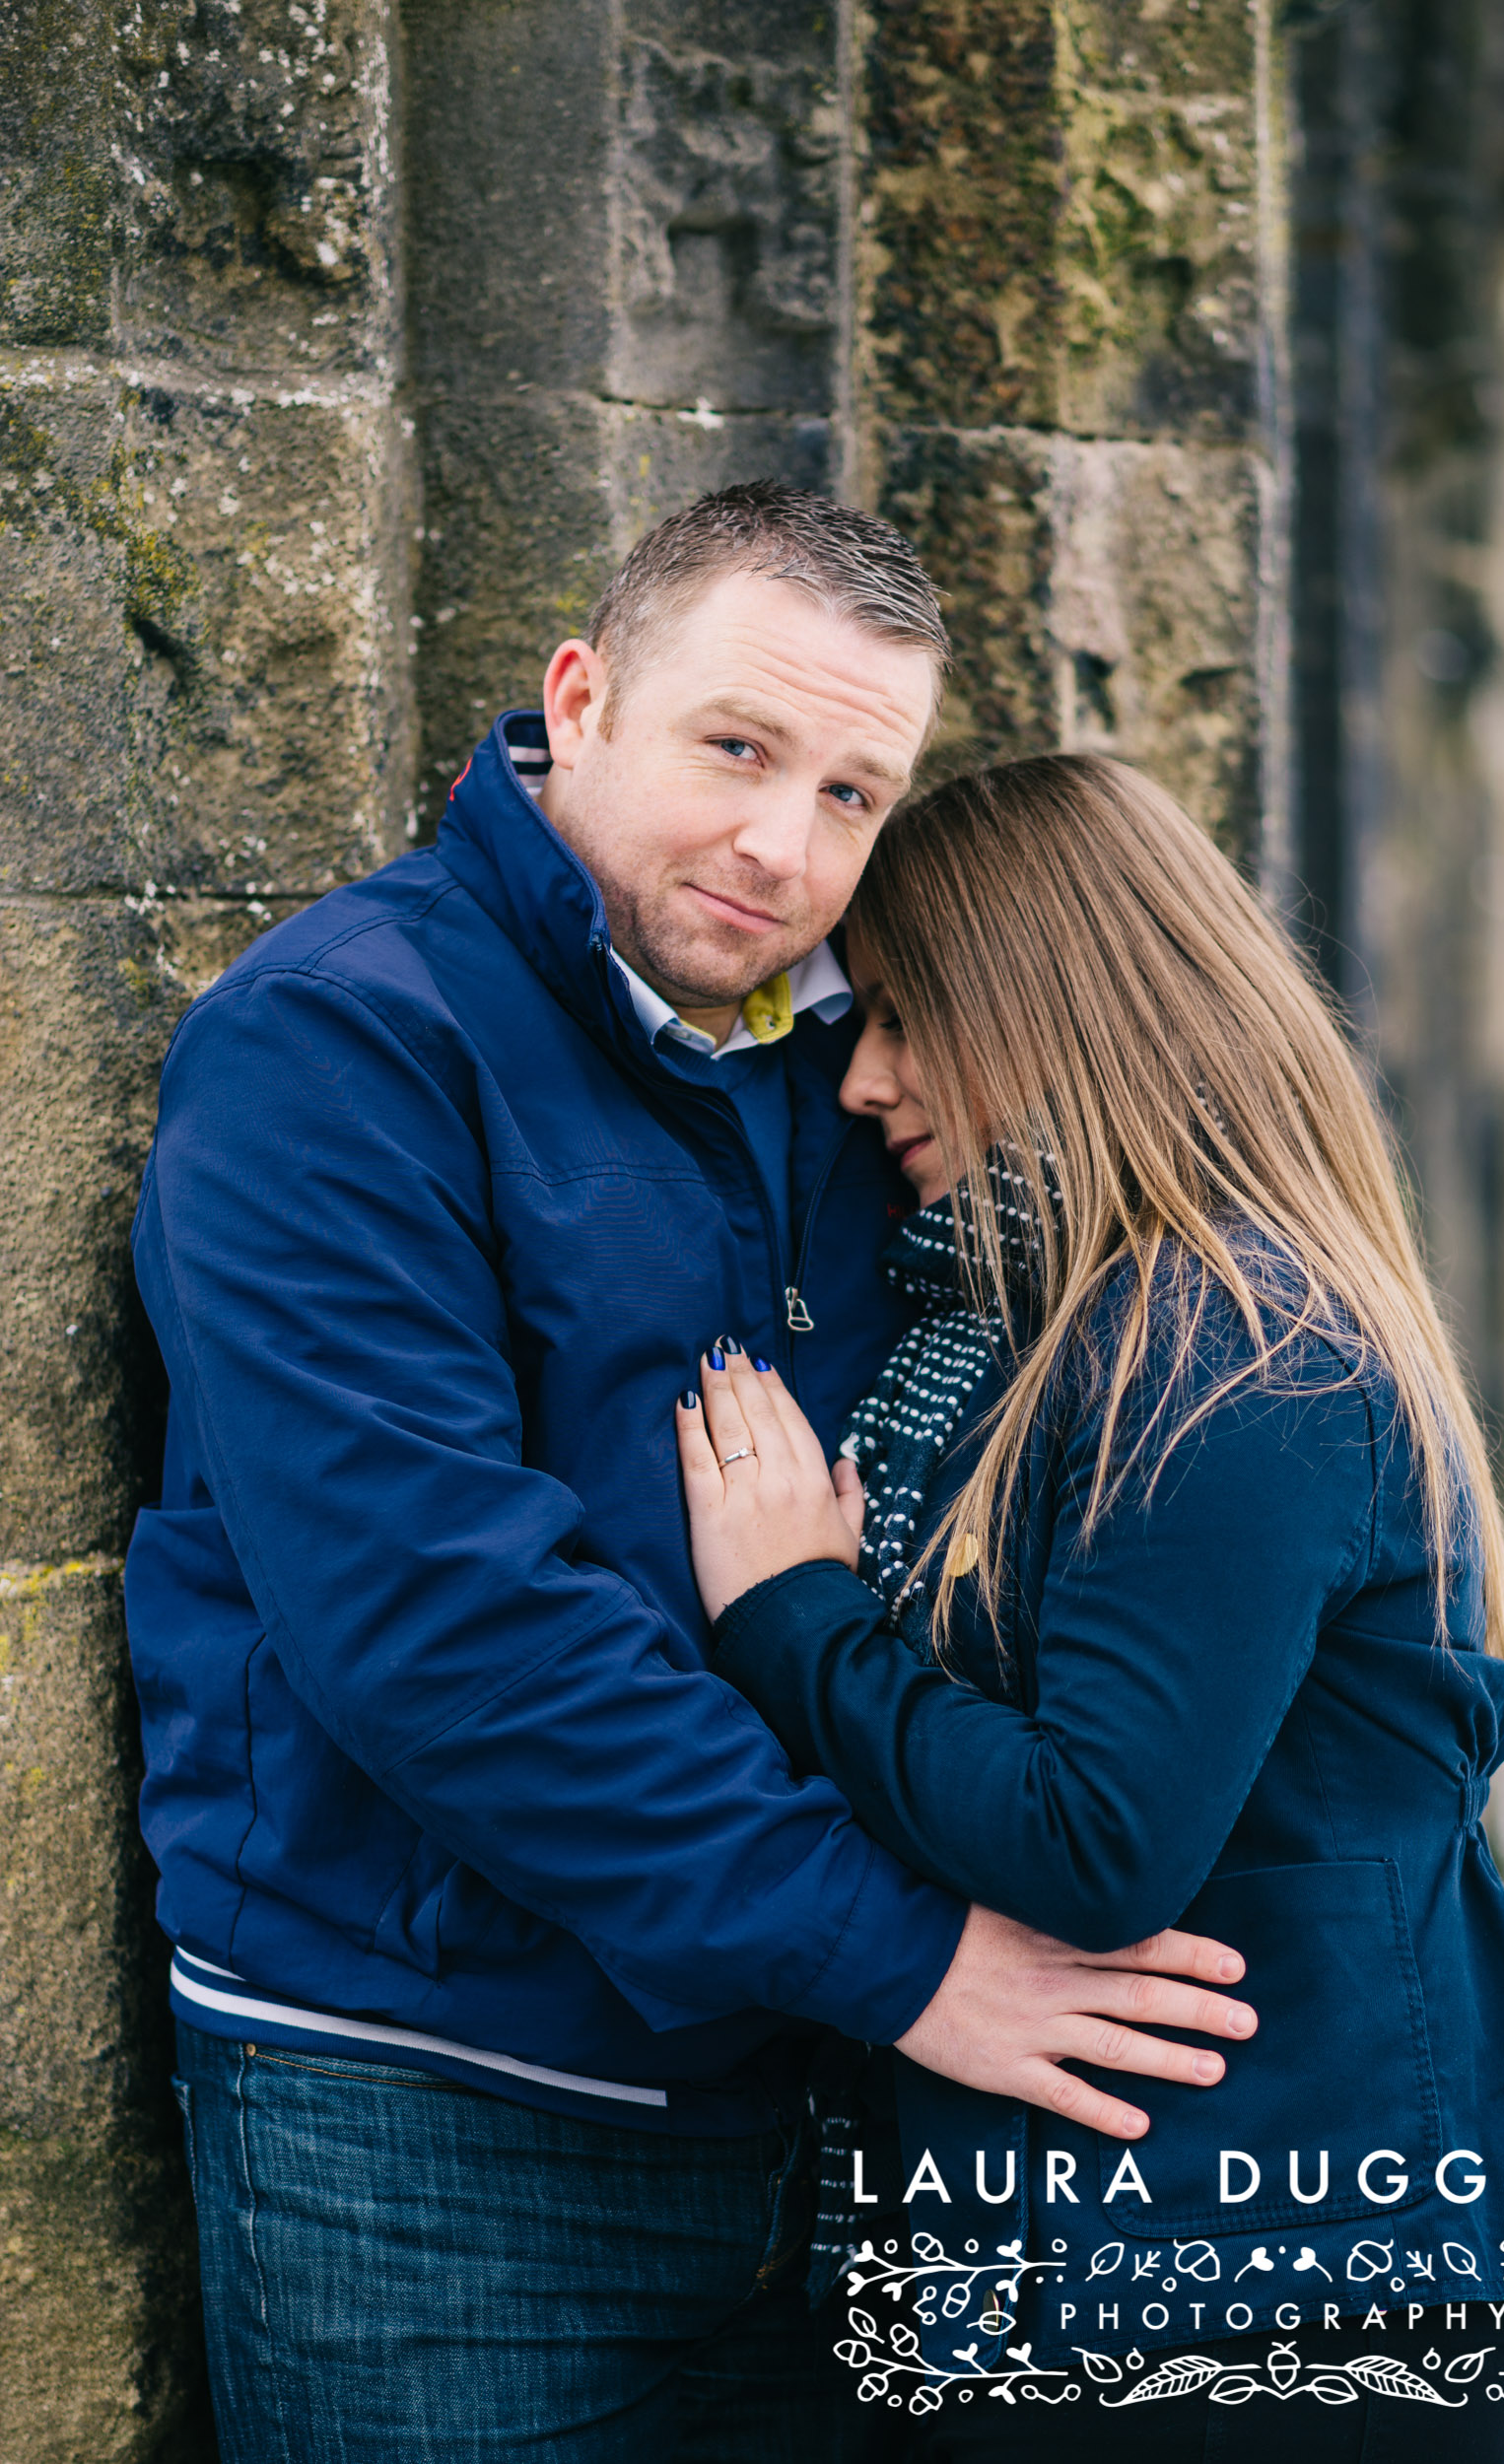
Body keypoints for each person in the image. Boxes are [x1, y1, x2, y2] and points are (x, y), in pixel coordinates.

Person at [124, 488, 1254, 2463]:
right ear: (580, 697)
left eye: (847, 792)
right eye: (736, 747)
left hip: (836, 2105)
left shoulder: (861, 1054)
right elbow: (437, 1622)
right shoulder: (340, 1040)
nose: (779, 844)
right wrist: (897, 1951)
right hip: (436, 2106)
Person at [674, 752, 1504, 2461]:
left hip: (1271, 2281)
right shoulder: (1067, 1327)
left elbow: (1092, 1840)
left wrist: (796, 1612)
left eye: (899, 1015)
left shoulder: (1221, 1348)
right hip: (1147, 2243)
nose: (859, 1080)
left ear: (1051, 1004)